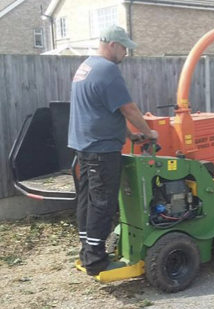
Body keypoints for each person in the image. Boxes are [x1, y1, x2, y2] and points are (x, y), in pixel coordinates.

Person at [68, 25, 158, 277]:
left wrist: (130, 135)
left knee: (87, 199)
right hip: (101, 148)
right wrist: (149, 134)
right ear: (112, 45)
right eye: (124, 48)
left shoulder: (86, 67)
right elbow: (129, 109)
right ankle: (96, 260)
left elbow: (99, 109)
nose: (126, 54)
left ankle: (87, 250)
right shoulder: (108, 70)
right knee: (103, 203)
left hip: (85, 145)